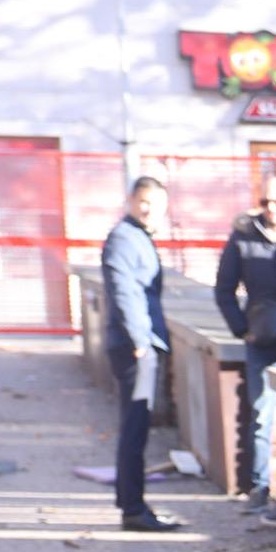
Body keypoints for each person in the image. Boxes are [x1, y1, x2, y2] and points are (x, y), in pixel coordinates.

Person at [210, 174, 276, 513]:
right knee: (262, 415)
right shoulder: (243, 239)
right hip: (261, 338)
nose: (271, 208)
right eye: (265, 202)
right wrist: (241, 328)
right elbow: (224, 290)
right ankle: (260, 487)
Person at [98, 173, 180, 533]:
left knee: (138, 426)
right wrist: (140, 342)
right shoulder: (124, 238)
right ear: (131, 201)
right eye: (143, 201)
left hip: (140, 343)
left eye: (156, 204)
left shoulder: (138, 237)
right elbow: (123, 291)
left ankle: (132, 503)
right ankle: (132, 509)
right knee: (135, 427)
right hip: (135, 347)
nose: (149, 209)